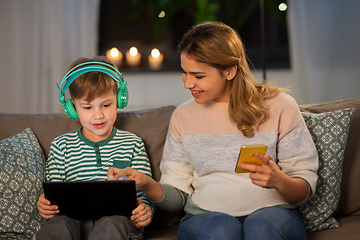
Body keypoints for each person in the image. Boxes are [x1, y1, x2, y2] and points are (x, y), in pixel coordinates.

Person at [108, 22, 319, 240]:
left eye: (198, 76)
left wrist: (279, 180)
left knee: (261, 228)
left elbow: (304, 188)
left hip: (275, 214)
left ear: (230, 70)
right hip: (205, 218)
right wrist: (146, 183)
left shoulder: (280, 106)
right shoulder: (183, 117)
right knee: (223, 230)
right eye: (184, 72)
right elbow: (179, 198)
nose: (187, 83)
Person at [36, 56, 154, 240]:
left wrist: (145, 210)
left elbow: (144, 193)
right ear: (72, 108)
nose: (98, 115)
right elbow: (54, 193)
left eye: (106, 105)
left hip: (117, 223)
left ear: (120, 100)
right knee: (57, 226)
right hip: (72, 222)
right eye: (87, 107)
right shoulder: (60, 145)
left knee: (112, 223)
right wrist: (45, 204)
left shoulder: (133, 143)